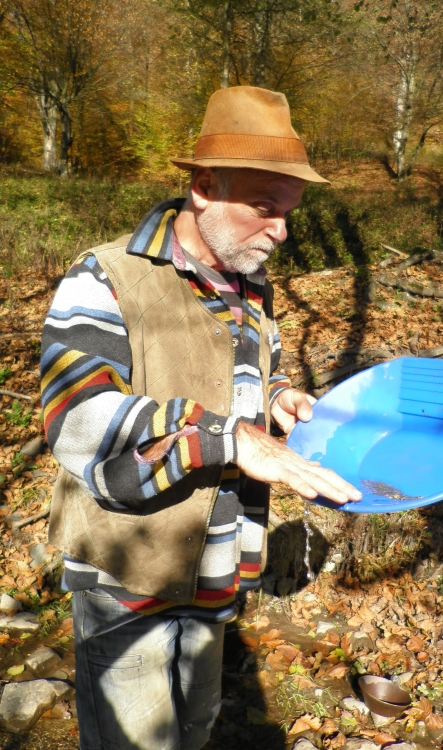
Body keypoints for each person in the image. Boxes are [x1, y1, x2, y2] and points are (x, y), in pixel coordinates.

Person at [41, 85, 361, 750]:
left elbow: (243, 367)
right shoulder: (106, 276)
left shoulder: (248, 285)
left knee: (195, 725)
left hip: (218, 568)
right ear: (205, 188)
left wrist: (276, 396)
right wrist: (230, 436)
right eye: (265, 208)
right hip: (129, 574)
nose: (282, 230)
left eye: (290, 212)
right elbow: (78, 417)